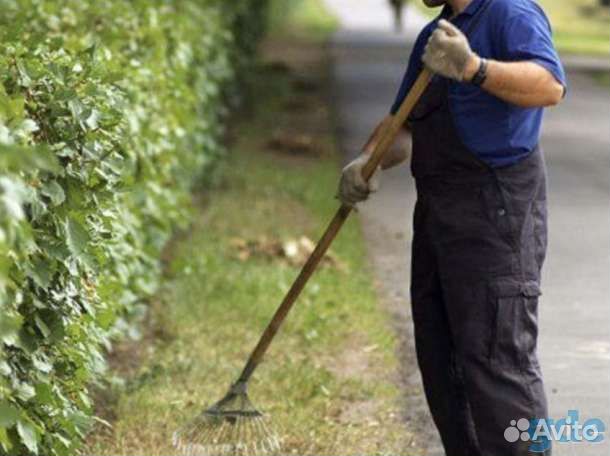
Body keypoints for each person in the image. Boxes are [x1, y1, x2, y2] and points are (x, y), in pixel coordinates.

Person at [337, 0, 566, 455]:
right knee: (443, 362)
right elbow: (403, 123)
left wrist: (473, 67)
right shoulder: (434, 36)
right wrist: (369, 159)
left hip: (496, 211)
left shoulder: (510, 13)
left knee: (496, 360)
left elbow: (549, 86)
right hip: (438, 214)